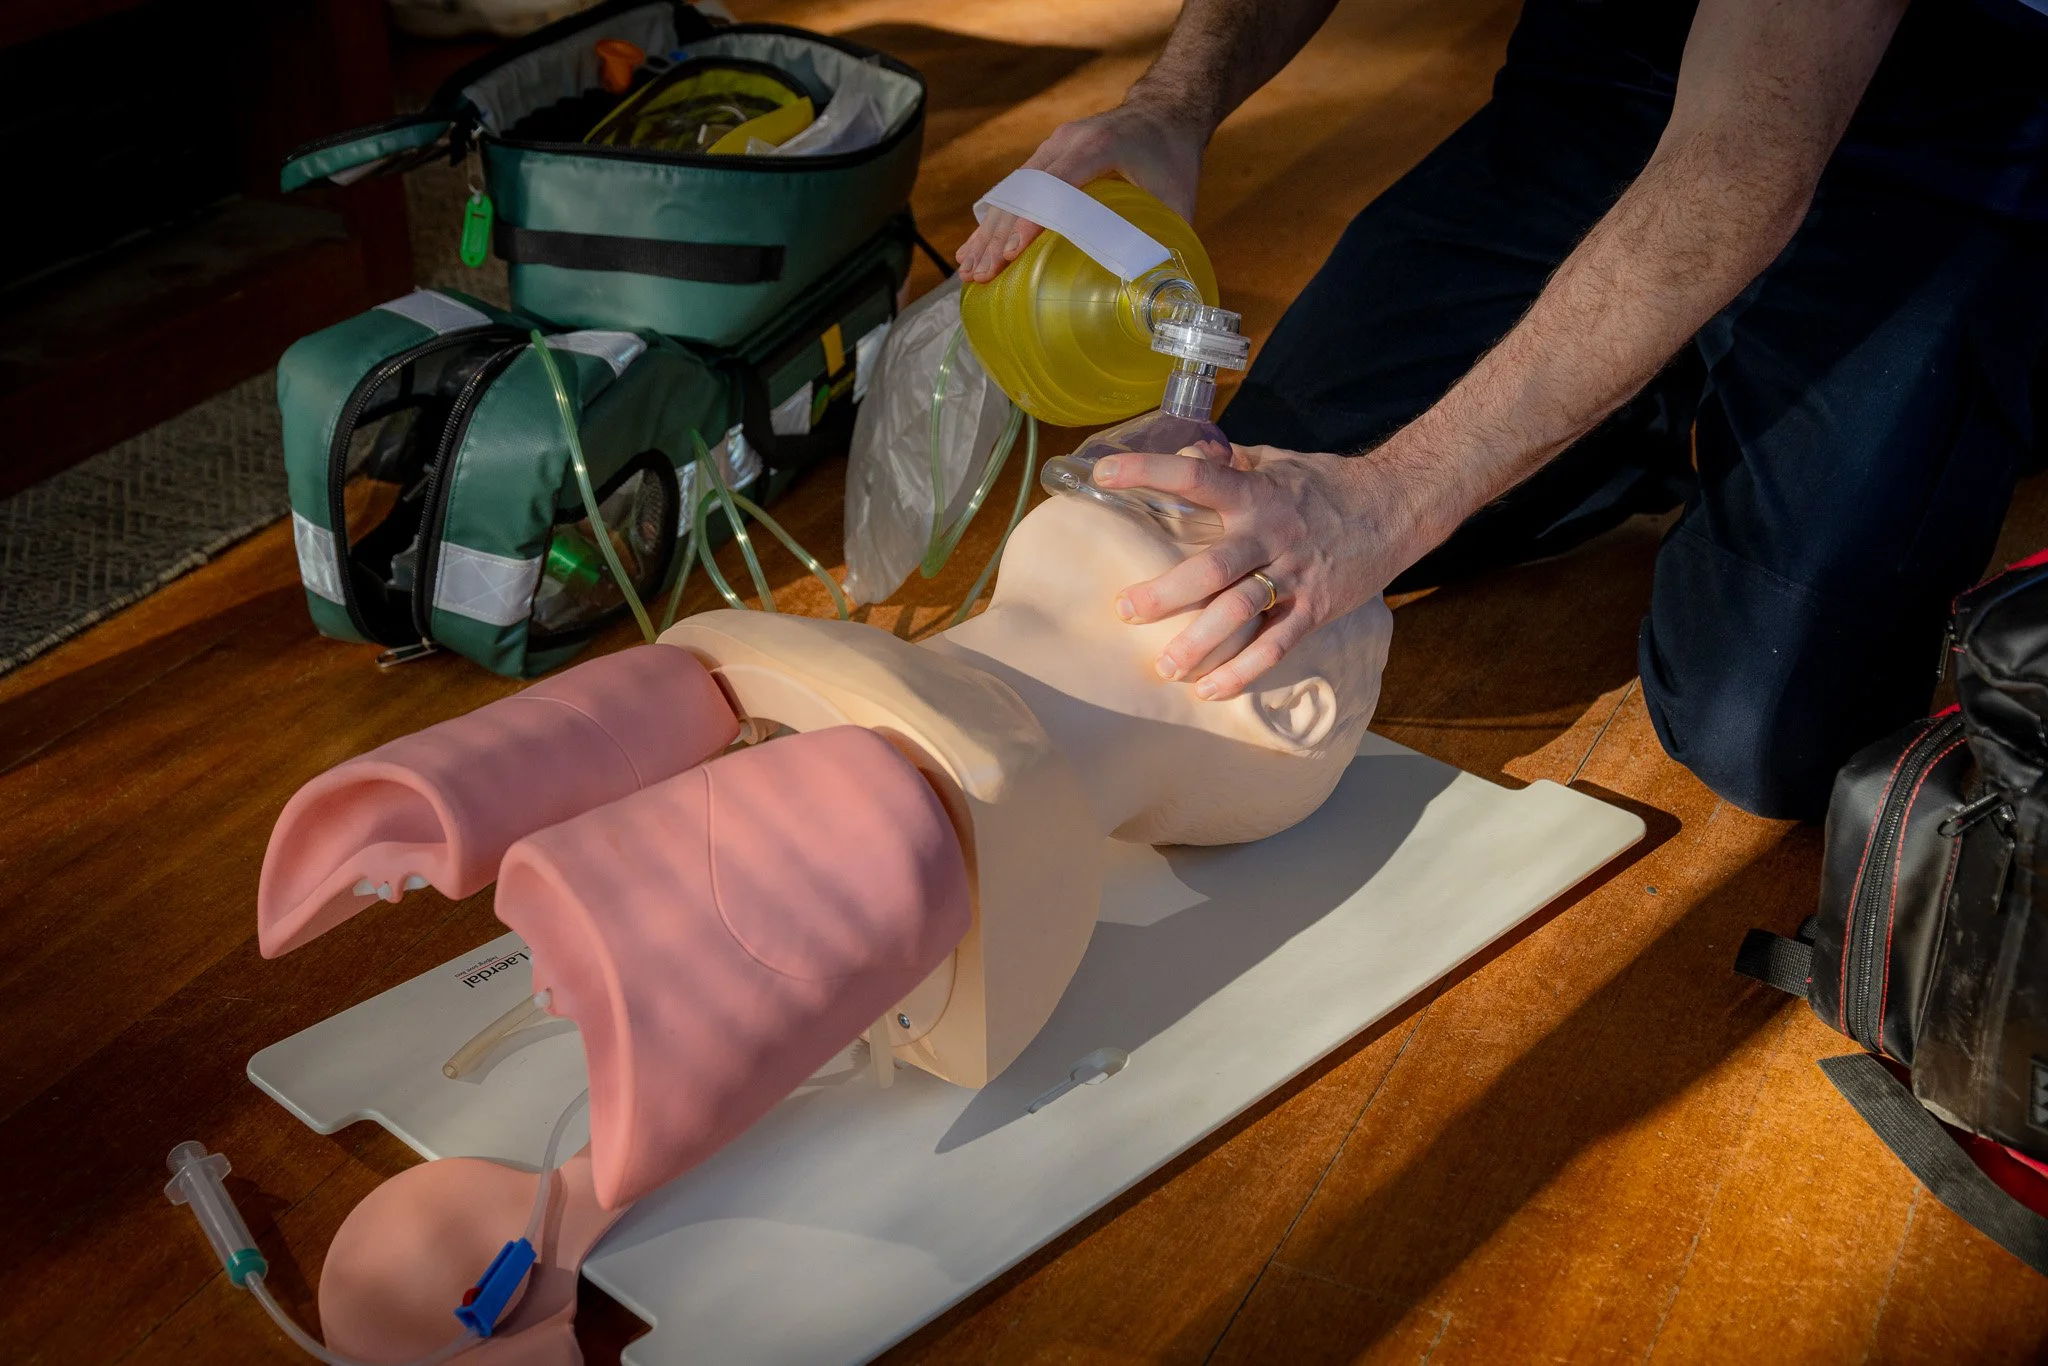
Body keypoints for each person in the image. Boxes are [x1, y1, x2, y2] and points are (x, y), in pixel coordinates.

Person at [958, 0, 2048, 819]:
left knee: (1766, 728)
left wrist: (1385, 500)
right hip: (1620, 58)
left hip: (1933, 111)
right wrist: (1169, 109)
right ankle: (1635, 387)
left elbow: (1742, 158)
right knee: (1254, 499)